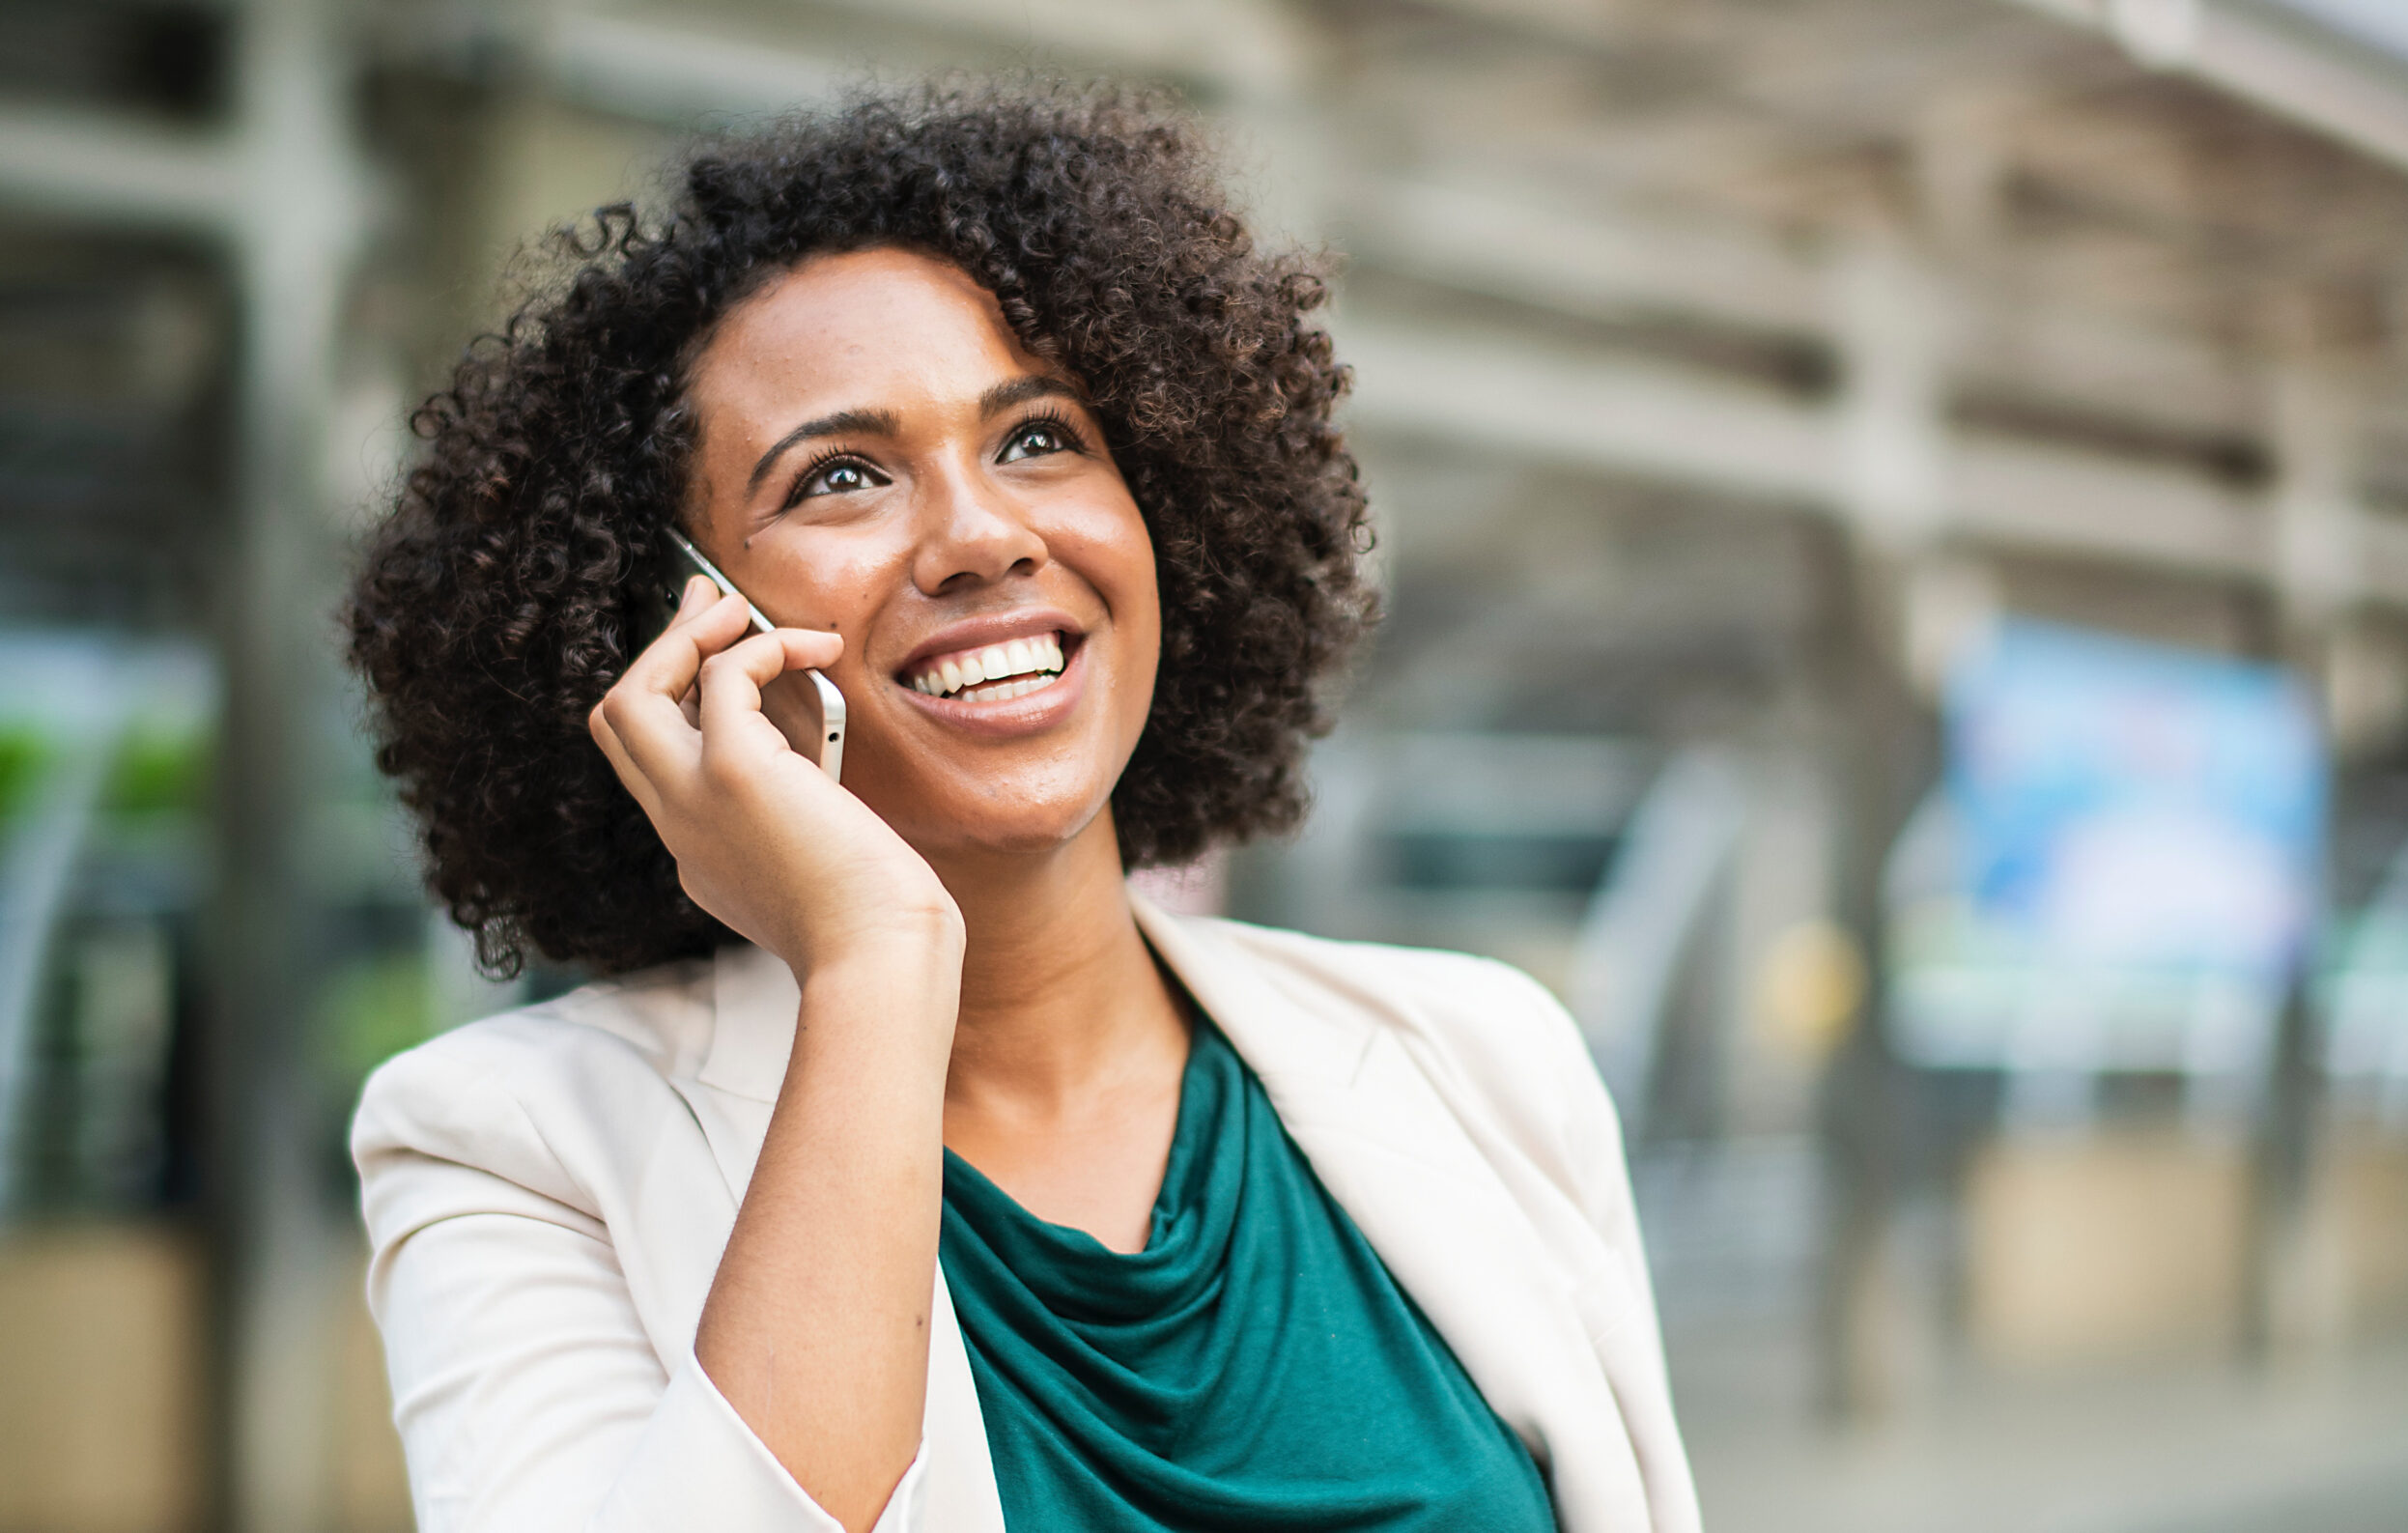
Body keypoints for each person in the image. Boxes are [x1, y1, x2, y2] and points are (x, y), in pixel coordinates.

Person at [344, 80, 1698, 1533]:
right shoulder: (509, 1148)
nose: (985, 535)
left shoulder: (1481, 1063)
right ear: (679, 621)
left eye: (1040, 439)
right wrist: (872, 961)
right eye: (843, 477)